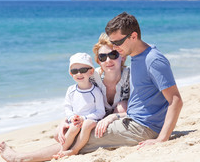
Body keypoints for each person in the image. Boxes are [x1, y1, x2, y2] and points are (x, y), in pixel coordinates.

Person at [0, 34, 131, 162]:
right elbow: (79, 102)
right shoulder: (91, 76)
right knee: (62, 133)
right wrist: (66, 120)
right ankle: (23, 158)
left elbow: (140, 108)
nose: (108, 60)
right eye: (103, 57)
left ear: (123, 57)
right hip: (90, 120)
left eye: (113, 55)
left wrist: (113, 116)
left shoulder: (131, 77)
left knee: (121, 106)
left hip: (115, 124)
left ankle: (21, 158)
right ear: (98, 61)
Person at [78, 12, 183, 153]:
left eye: (117, 42)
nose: (114, 47)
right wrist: (115, 116)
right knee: (75, 133)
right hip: (131, 121)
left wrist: (162, 139)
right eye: (112, 42)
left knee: (79, 139)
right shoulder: (135, 56)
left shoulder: (153, 60)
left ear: (133, 36)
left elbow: (176, 100)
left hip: (143, 128)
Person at [55, 52, 105, 158]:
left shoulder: (95, 91)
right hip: (75, 120)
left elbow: (100, 111)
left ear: (91, 71)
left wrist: (84, 118)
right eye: (74, 71)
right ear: (71, 73)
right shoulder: (71, 90)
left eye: (83, 70)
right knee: (73, 127)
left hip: (90, 120)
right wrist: (72, 117)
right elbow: (67, 107)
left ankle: (74, 150)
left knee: (86, 125)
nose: (79, 74)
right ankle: (62, 150)